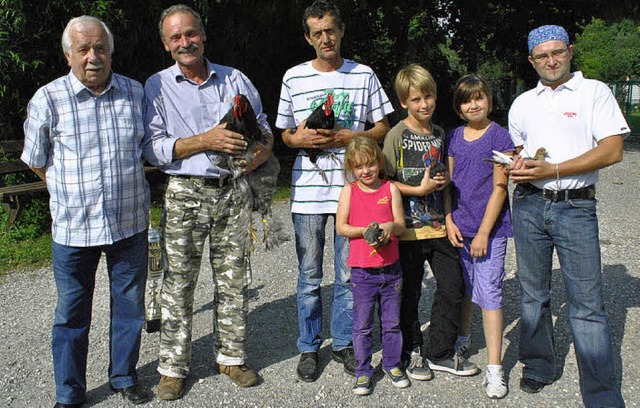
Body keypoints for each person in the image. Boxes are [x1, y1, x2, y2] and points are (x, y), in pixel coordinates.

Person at [143, 4, 272, 399]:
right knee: (178, 283)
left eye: (191, 34)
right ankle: (173, 367)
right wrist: (206, 140)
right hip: (185, 193)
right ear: (166, 45)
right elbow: (152, 148)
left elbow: (264, 129)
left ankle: (231, 357)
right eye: (176, 37)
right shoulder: (157, 86)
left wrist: (256, 157)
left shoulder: (235, 79)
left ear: (203, 34)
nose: (186, 42)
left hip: (234, 188)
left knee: (233, 279)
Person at [21, 16, 151, 407]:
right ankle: (69, 393)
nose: (93, 57)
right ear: (68, 55)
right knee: (70, 316)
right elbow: (35, 159)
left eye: (100, 48)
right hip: (73, 230)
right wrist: (65, 190)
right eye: (83, 49)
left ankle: (124, 376)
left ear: (110, 52)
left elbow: (150, 146)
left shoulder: (135, 92)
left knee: (129, 309)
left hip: (129, 223)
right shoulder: (47, 99)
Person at [508, 25, 628, 407]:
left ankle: (601, 393)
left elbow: (612, 150)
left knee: (587, 304)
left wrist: (554, 170)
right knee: (532, 294)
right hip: (528, 202)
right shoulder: (523, 102)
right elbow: (523, 155)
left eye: (557, 52)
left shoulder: (595, 92)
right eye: (542, 56)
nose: (551, 60)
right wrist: (518, 166)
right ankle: (539, 364)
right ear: (532, 60)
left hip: (575, 206)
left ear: (570, 51)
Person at [275, 0, 393, 382]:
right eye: (317, 32)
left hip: (353, 189)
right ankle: (309, 346)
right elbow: (283, 134)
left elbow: (383, 127)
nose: (325, 38)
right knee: (309, 275)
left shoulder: (363, 74)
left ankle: (342, 342)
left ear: (341, 31)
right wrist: (298, 136)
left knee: (348, 274)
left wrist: (348, 135)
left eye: (330, 30)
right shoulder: (294, 77)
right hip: (308, 189)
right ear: (308, 38)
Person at [382, 64, 479, 383]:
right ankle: (412, 350)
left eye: (429, 97)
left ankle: (439, 352)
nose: (424, 104)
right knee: (408, 293)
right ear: (403, 103)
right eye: (416, 99)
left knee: (454, 286)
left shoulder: (441, 134)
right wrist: (418, 189)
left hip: (438, 227)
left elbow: (446, 182)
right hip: (407, 231)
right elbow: (384, 183)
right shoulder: (395, 135)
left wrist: (449, 214)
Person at [445, 74, 514, 399]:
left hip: (491, 231)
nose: (474, 104)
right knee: (464, 290)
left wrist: (485, 232)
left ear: (488, 99)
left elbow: (500, 188)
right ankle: (462, 339)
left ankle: (494, 368)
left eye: (479, 97)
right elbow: (448, 182)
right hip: (460, 227)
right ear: (459, 107)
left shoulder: (500, 137)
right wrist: (448, 219)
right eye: (466, 100)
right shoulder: (454, 137)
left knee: (490, 293)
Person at [335, 136, 407, 395]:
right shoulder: (349, 191)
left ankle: (392, 363)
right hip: (362, 272)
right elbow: (340, 226)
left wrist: (389, 227)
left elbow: (401, 224)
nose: (366, 171)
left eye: (370, 164)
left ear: (379, 162)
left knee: (391, 322)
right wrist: (363, 231)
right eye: (359, 167)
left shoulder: (391, 189)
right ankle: (363, 370)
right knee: (362, 325)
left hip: (391, 270)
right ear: (351, 169)